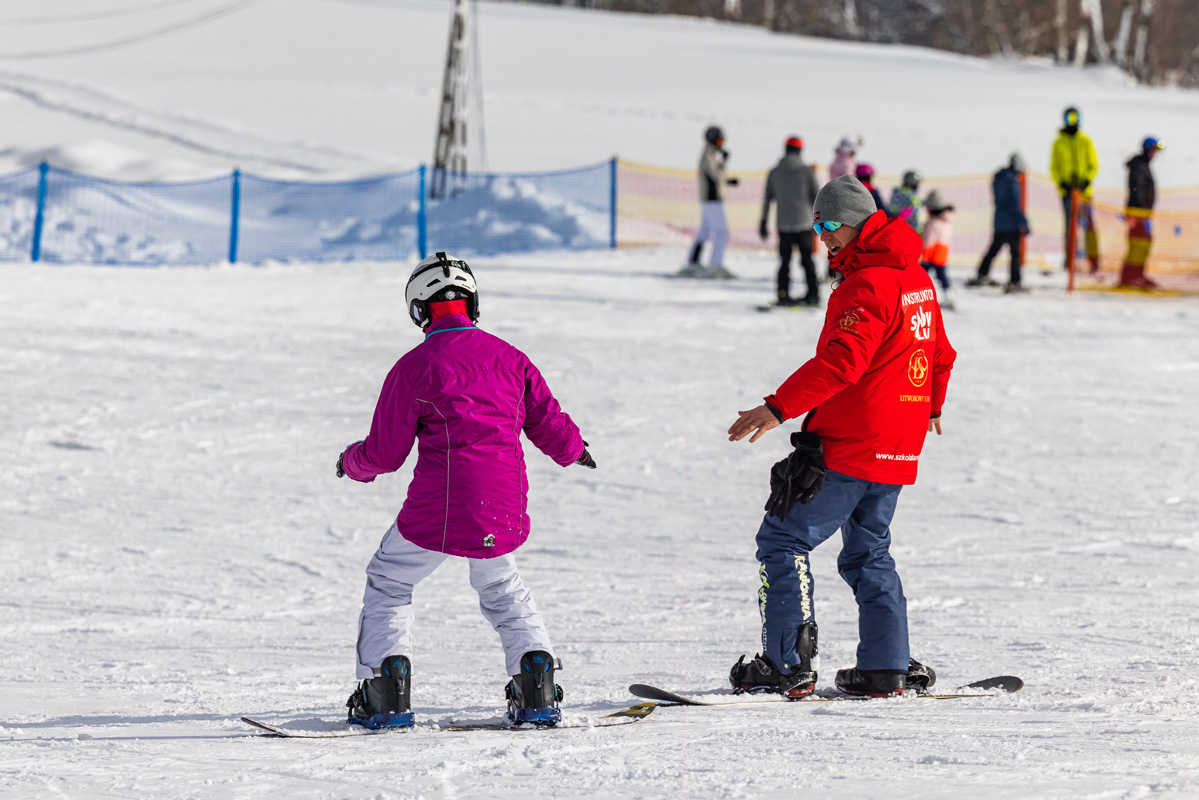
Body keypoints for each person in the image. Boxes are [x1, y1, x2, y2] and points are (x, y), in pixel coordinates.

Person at [338, 252, 596, 730]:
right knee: (501, 585)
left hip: (436, 512)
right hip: (501, 508)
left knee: (390, 582)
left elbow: (384, 453)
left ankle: (387, 691)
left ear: (419, 310)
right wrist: (574, 449)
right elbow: (550, 424)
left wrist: (351, 463)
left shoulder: (413, 367)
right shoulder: (510, 357)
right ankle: (535, 681)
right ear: (471, 302)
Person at [726, 175, 956, 699]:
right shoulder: (916, 278)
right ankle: (885, 667)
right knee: (868, 552)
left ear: (856, 223)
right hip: (897, 445)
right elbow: (940, 353)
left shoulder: (869, 283)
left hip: (854, 441)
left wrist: (777, 407)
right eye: (817, 226)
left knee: (783, 539)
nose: (823, 236)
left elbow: (842, 362)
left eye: (830, 225)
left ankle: (786, 664)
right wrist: (931, 405)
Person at [760, 136, 821, 306]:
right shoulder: (807, 172)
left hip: (784, 224)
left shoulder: (774, 172)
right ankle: (813, 294)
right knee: (807, 260)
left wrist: (763, 222)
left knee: (784, 262)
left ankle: (782, 293)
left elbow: (767, 199)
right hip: (804, 223)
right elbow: (817, 197)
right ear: (800, 150)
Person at [682, 125, 739, 279]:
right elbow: (716, 177)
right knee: (721, 232)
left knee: (704, 231)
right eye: (720, 140)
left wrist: (728, 181)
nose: (722, 143)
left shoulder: (710, 155)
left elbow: (716, 177)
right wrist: (725, 162)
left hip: (709, 199)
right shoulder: (708, 156)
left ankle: (693, 261)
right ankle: (715, 265)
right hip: (712, 200)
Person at [969, 154, 1031, 293]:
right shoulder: (1012, 181)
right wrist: (1023, 222)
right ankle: (1015, 281)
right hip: (1011, 223)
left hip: (999, 221)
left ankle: (982, 273)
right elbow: (1015, 204)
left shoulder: (999, 178)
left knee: (994, 249)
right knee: (1015, 254)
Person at [1050, 106, 1100, 273]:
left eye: (1075, 118)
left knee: (1089, 227)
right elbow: (1054, 167)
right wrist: (1062, 183)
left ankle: (1093, 261)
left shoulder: (1085, 141)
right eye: (1069, 118)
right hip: (1067, 193)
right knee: (1070, 227)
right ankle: (1069, 260)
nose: (1072, 122)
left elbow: (1093, 165)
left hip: (1084, 193)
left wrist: (1086, 181)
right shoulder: (1058, 143)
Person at [1120, 137, 1165, 289]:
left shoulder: (1143, 165)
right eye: (1153, 150)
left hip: (1143, 214)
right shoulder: (1139, 166)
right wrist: (1136, 213)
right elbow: (1136, 191)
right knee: (1137, 245)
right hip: (1138, 213)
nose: (1155, 154)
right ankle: (1129, 277)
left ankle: (1137, 275)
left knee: (1143, 244)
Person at [920, 191, 955, 308]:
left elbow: (928, 240)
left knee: (921, 275)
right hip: (942, 253)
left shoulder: (932, 223)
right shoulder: (947, 221)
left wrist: (923, 254)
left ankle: (917, 297)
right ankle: (947, 296)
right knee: (941, 274)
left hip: (930, 253)